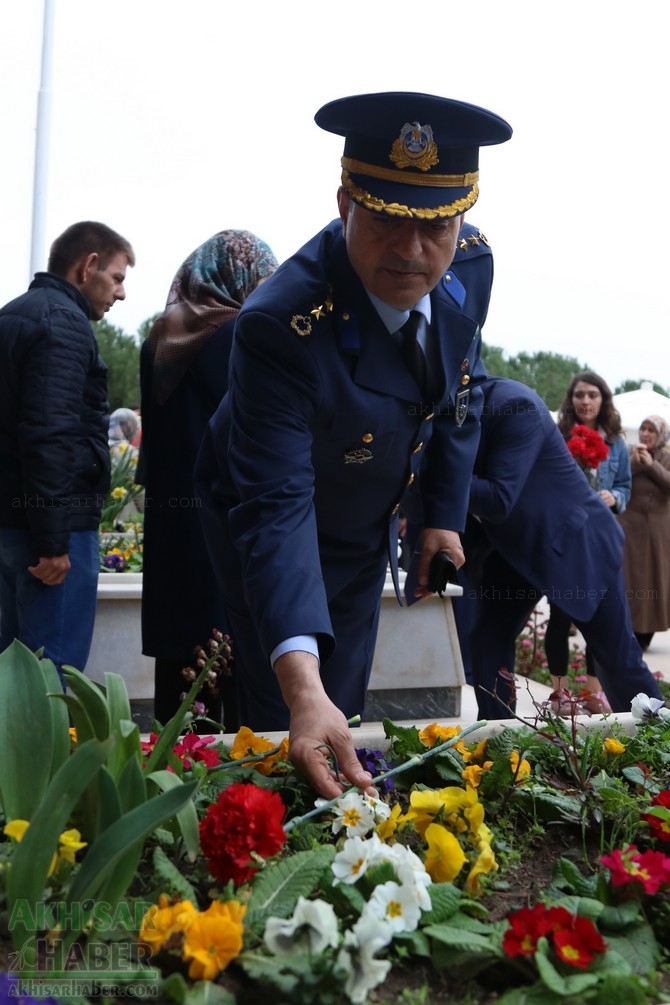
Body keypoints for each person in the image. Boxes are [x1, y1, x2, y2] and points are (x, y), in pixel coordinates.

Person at [195, 91, 513, 798]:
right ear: (345, 204)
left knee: (349, 689)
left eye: (434, 225)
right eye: (387, 219)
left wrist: (443, 513)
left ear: (461, 217)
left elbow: (465, 383)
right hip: (277, 512)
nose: (411, 249)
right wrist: (302, 685)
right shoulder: (282, 326)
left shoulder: (471, 266)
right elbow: (276, 509)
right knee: (291, 713)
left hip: (367, 511)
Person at [457, 376, 664, 721]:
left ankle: (661, 744)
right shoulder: (444, 412)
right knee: (487, 638)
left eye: (592, 394)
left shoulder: (515, 404)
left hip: (576, 543)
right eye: (579, 394)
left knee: (617, 660)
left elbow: (497, 497)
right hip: (517, 551)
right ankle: (499, 740)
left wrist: (437, 476)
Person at [138, 229, 278, 729]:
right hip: (223, 515)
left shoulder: (162, 335)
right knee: (230, 651)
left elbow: (150, 443)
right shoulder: (238, 335)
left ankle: (170, 775)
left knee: (180, 662)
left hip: (172, 518)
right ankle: (228, 786)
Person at [0, 221, 135, 679]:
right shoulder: (64, 323)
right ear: (88, 265)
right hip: (49, 532)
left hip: (11, 523)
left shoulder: (12, 315)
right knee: (47, 684)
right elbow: (49, 433)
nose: (119, 294)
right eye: (117, 278)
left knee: (11, 680)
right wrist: (54, 541)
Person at [544, 370, 631, 712]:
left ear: (603, 400)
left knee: (599, 615)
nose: (585, 401)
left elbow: (625, 487)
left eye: (592, 395)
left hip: (600, 541)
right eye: (579, 395)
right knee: (560, 615)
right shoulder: (557, 435)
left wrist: (615, 497)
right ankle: (560, 693)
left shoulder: (616, 442)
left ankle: (593, 693)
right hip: (565, 539)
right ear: (571, 399)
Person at [618, 415, 670, 651]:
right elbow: (619, 478)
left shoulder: (666, 457)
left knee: (651, 580)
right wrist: (637, 463)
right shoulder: (629, 452)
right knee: (627, 579)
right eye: (643, 429)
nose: (646, 434)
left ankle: (646, 631)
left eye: (651, 431)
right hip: (628, 526)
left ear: (661, 436)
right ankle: (625, 628)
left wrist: (652, 465)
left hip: (656, 532)